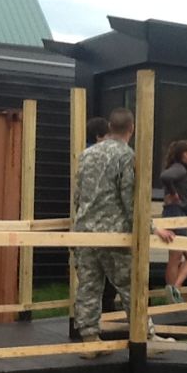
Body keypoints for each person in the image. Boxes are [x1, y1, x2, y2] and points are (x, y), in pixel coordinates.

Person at [73, 107, 175, 357]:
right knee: (132, 286)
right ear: (132, 129)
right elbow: (131, 200)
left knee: (88, 286)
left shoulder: (86, 155)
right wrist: (150, 227)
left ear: (109, 126)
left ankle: (89, 340)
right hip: (115, 234)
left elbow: (78, 195)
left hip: (85, 232)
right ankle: (145, 338)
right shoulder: (127, 156)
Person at [159, 140, 187, 303]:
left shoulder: (180, 169)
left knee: (175, 256)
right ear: (185, 155)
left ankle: (173, 292)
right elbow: (165, 176)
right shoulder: (180, 168)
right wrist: (173, 193)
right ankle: (174, 290)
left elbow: (183, 195)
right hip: (175, 215)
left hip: (175, 212)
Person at [85, 116, 117, 314]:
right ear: (99, 137)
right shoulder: (101, 158)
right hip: (104, 225)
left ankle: (87, 324)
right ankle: (107, 315)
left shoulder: (83, 156)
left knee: (89, 282)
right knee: (109, 275)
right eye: (107, 136)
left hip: (86, 225)